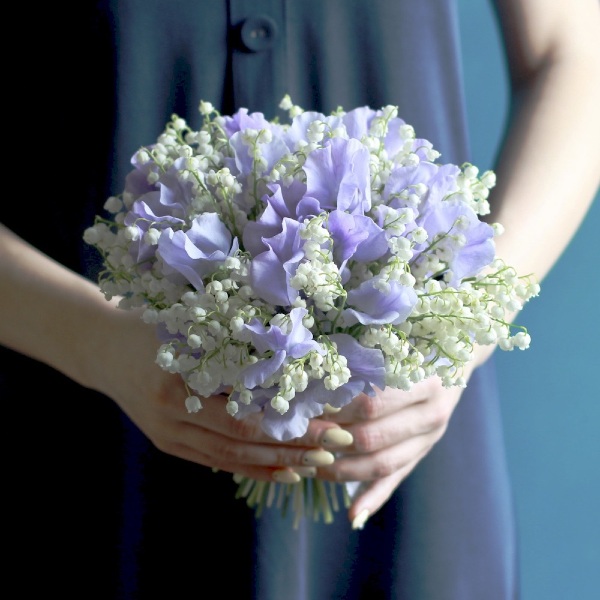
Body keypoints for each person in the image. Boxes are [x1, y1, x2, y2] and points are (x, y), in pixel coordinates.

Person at [2, 1, 599, 598]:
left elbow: (575, 53)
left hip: (403, 429)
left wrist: (457, 335)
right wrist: (94, 343)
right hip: (81, 435)